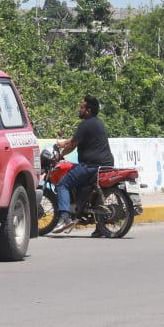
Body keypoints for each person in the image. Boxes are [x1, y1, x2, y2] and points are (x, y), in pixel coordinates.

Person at [50, 94, 113, 232]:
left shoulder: (85, 124)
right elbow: (75, 139)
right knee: (85, 188)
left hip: (91, 166)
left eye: (82, 107)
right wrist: (63, 143)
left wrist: (60, 155)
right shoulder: (97, 123)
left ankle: (65, 217)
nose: (79, 109)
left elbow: (73, 144)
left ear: (88, 110)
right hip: (106, 165)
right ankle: (100, 227)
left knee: (63, 184)